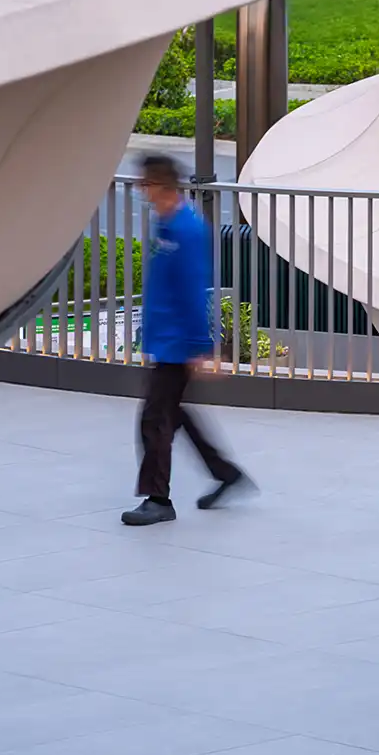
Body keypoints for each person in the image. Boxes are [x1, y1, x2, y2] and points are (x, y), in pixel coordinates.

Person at [121, 154, 249, 526]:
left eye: (145, 183)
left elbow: (194, 290)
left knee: (155, 419)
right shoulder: (164, 223)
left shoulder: (187, 229)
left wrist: (199, 345)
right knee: (173, 413)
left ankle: (158, 499)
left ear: (162, 185)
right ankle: (226, 474)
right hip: (165, 338)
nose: (141, 190)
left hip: (179, 341)